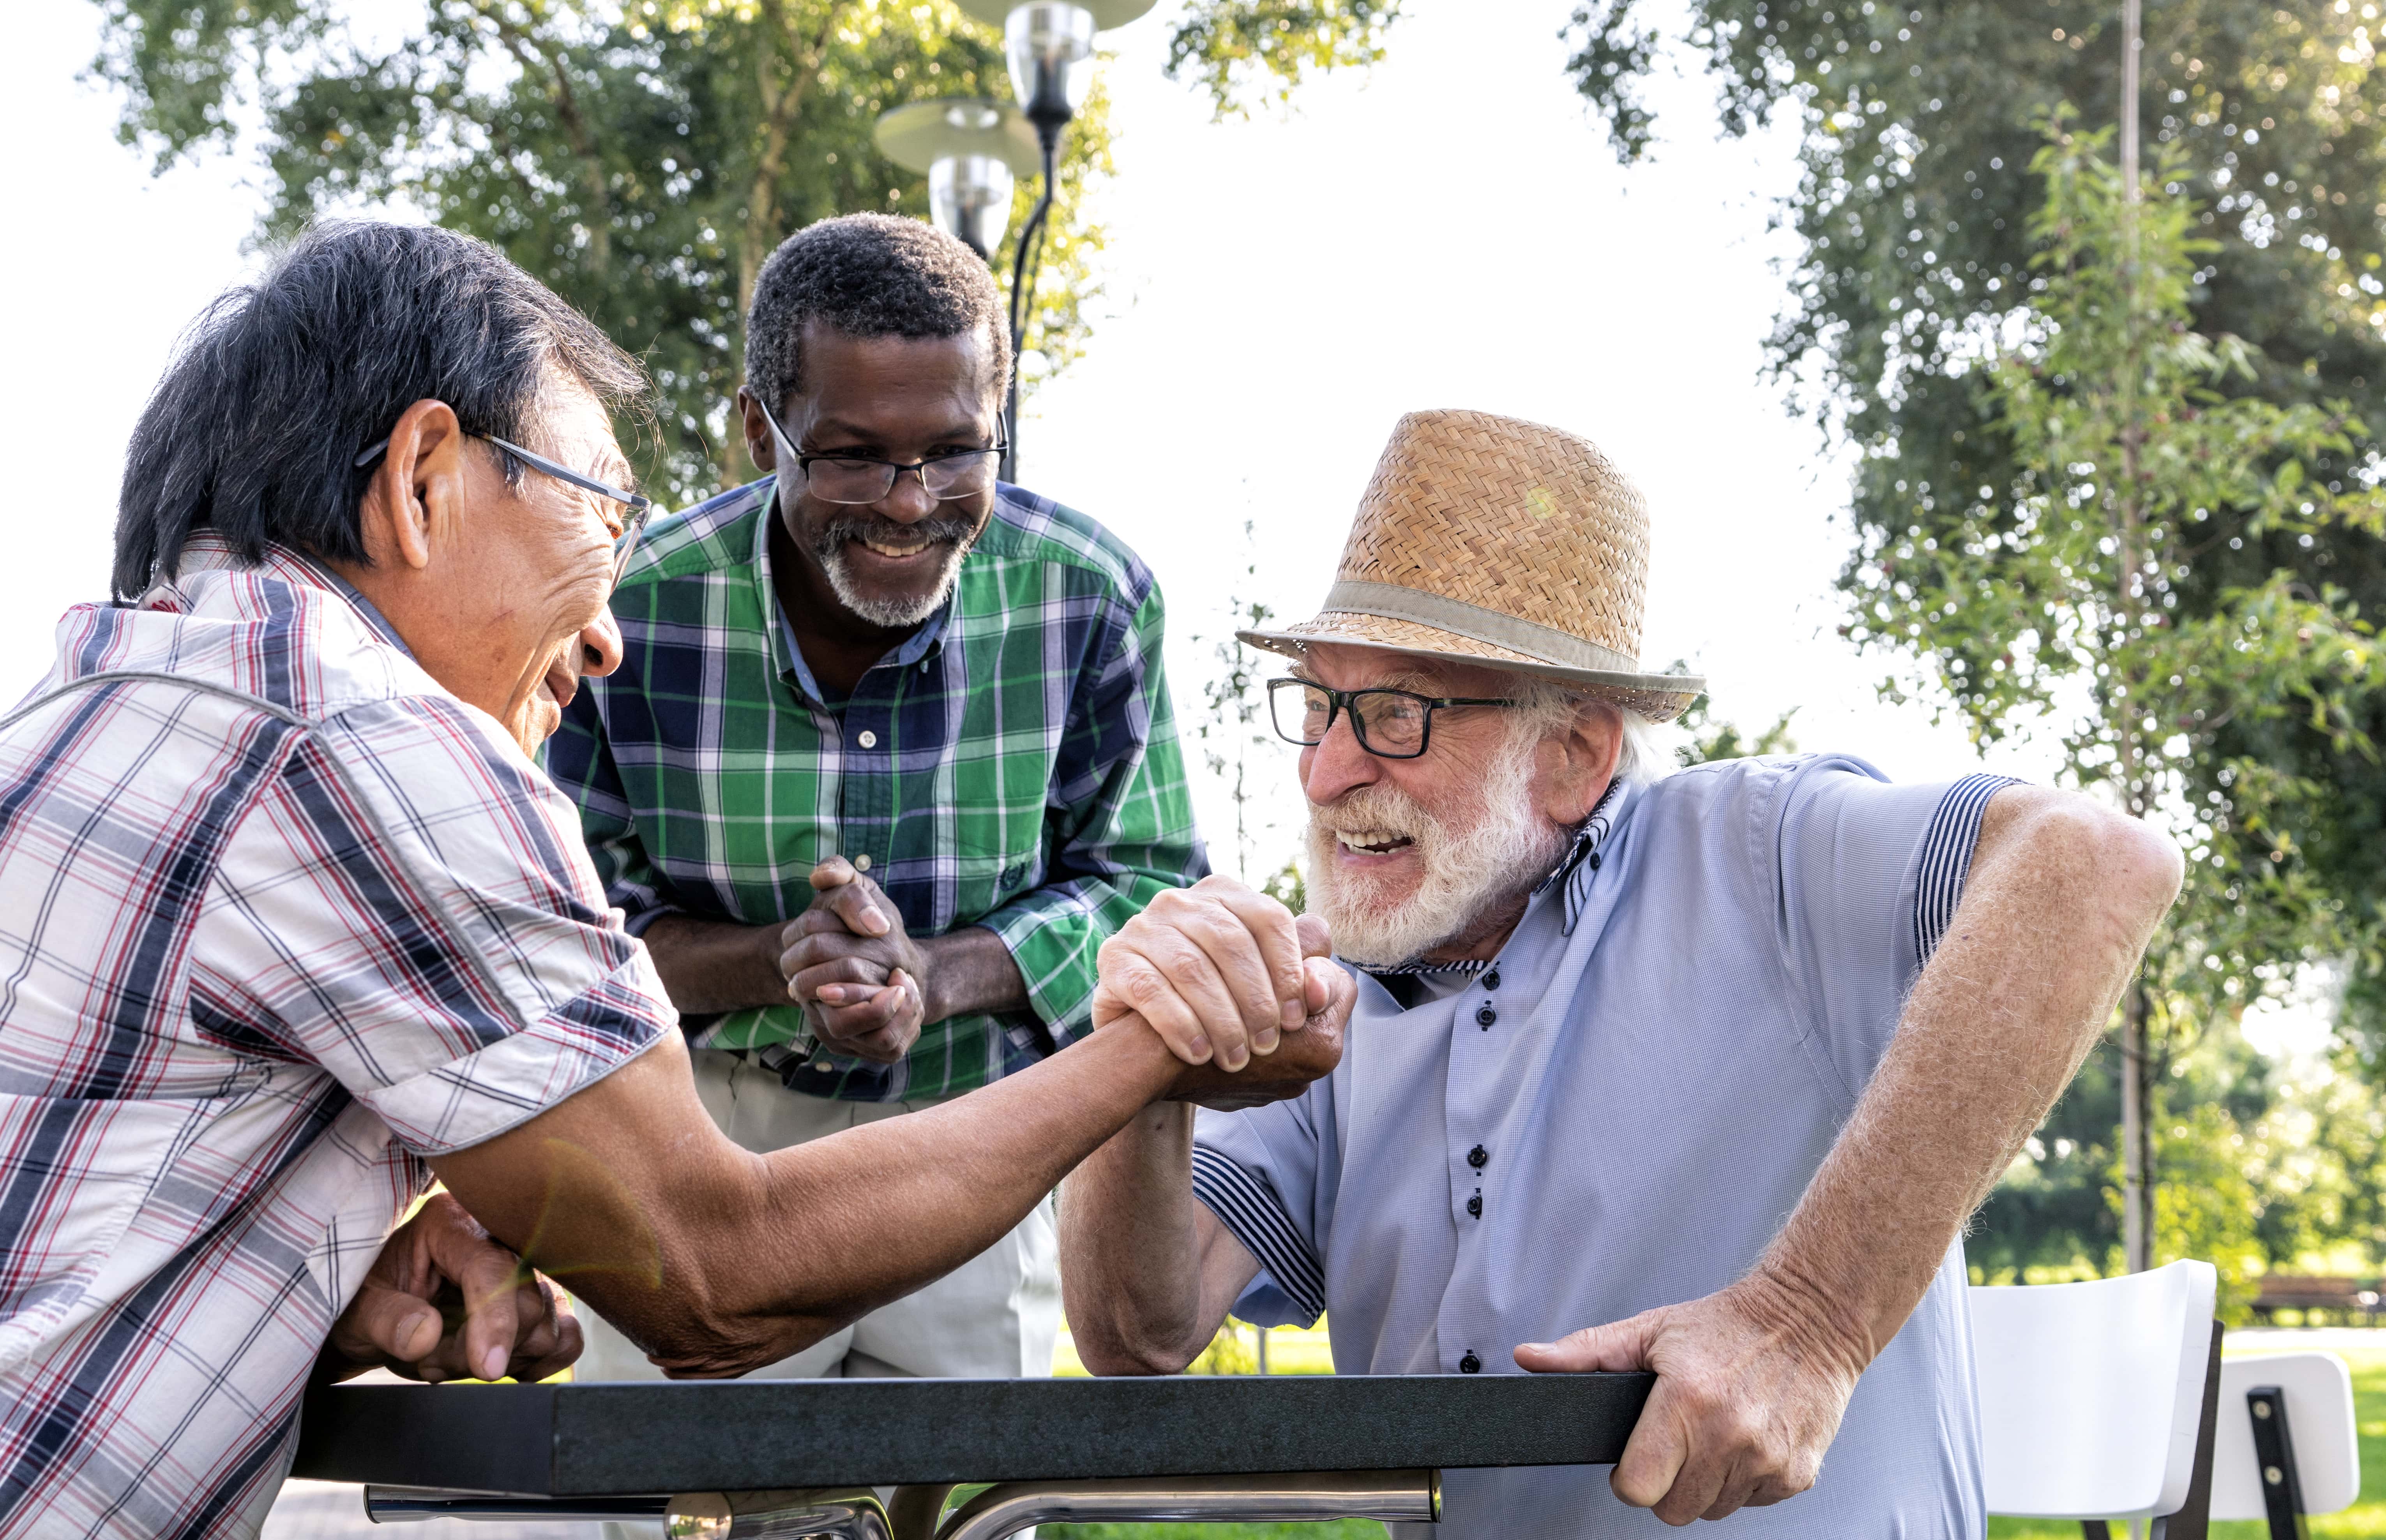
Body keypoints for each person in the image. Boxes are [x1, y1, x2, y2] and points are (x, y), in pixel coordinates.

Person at [0, 221, 1336, 1540]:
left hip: (942, 1121)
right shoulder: (371, 741)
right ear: (423, 479)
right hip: (716, 1124)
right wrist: (1157, 1040)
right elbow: (715, 1279)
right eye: (595, 505)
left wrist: (315, 1289)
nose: (605, 637)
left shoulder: (91, 692)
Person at [1058, 409, 2185, 1537]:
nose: (1326, 771)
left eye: (1396, 714)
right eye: (1317, 707)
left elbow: (2094, 864)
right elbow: (1136, 1339)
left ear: (1573, 754)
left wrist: (1806, 1323)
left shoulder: (1753, 852)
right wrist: (1141, 1062)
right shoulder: (1321, 991)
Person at [545, 212, 1204, 1387]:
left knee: (956, 1509)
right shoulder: (630, 610)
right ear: (761, 430)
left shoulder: (1089, 598)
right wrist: (776, 962)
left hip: (976, 1137)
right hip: (703, 1133)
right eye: (851, 454)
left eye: (956, 451)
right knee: (693, 1509)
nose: (909, 503)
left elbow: (1150, 885)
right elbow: (561, 928)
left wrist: (940, 976)